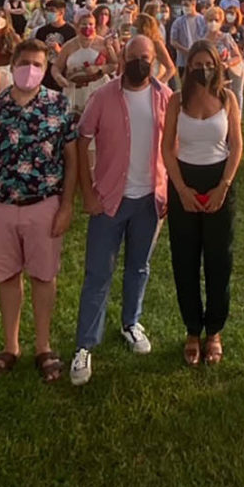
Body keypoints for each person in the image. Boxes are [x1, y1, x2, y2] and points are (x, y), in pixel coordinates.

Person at [0, 39, 78, 385]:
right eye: (25, 62)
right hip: (0, 207)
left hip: (43, 205)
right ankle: (10, 346)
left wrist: (67, 205)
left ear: (45, 70)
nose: (30, 69)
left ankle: (43, 346)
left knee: (43, 275)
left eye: (38, 65)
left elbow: (72, 160)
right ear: (13, 63)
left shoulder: (59, 106)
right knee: (7, 276)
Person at [69, 36, 172, 386]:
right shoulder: (103, 96)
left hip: (151, 200)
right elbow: (82, 140)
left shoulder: (165, 98)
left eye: (146, 57)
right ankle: (85, 345)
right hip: (110, 199)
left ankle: (131, 322)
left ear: (155, 60)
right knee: (98, 273)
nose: (139, 63)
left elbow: (173, 146)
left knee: (139, 267)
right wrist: (87, 191)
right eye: (133, 57)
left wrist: (169, 189)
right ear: (122, 59)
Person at [162, 41, 244, 367]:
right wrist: (180, 188)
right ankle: (192, 330)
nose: (203, 69)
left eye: (208, 63)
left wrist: (223, 187)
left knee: (218, 259)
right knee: (184, 259)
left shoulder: (228, 98)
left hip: (219, 180)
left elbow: (236, 146)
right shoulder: (176, 101)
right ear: (188, 65)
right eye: (196, 63)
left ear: (217, 65)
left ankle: (214, 331)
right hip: (184, 181)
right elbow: (167, 147)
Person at [54, 11, 118, 117]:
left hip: (97, 87)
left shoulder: (103, 43)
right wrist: (58, 77)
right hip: (74, 90)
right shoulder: (69, 46)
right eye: (84, 24)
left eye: (91, 24)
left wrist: (99, 68)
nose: (87, 27)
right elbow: (56, 67)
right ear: (77, 26)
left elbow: (114, 65)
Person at [203, 6, 244, 109]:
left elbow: (237, 56)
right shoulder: (203, 41)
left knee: (233, 98)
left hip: (229, 75)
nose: (213, 23)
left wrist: (226, 64)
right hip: (211, 76)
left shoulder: (226, 37)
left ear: (221, 21)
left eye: (216, 20)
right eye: (210, 20)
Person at [133, 12, 176, 86]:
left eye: (135, 26)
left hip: (154, 83)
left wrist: (159, 84)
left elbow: (171, 68)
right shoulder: (135, 43)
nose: (133, 28)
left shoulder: (156, 44)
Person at [170, 0, 207, 80]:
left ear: (194, 4)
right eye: (183, 5)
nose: (184, 7)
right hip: (183, 61)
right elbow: (173, 41)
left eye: (186, 5)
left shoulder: (203, 20)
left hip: (200, 59)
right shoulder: (178, 22)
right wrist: (185, 51)